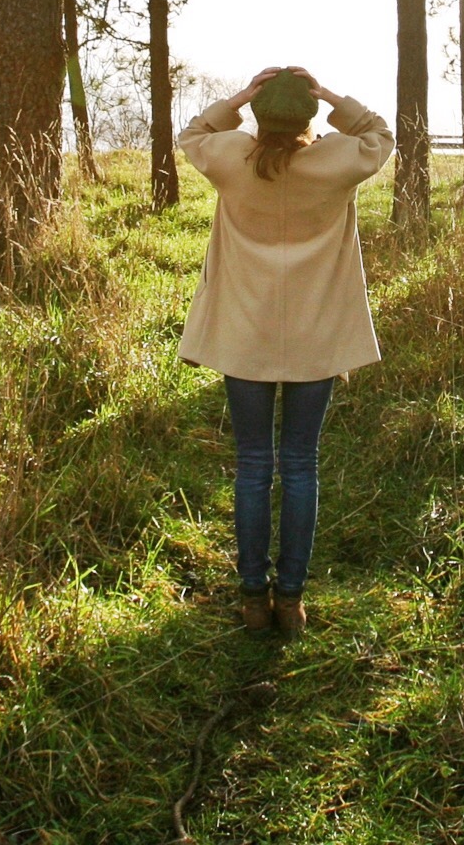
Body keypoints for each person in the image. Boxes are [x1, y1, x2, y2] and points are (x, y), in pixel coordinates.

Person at [177, 66, 394, 636]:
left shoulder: (231, 160)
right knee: (300, 466)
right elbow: (381, 136)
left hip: (244, 338)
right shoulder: (336, 164)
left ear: (258, 114)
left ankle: (253, 600)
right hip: (315, 340)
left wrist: (241, 97)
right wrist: (329, 95)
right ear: (305, 116)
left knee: (252, 466)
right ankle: (291, 601)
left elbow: (192, 135)